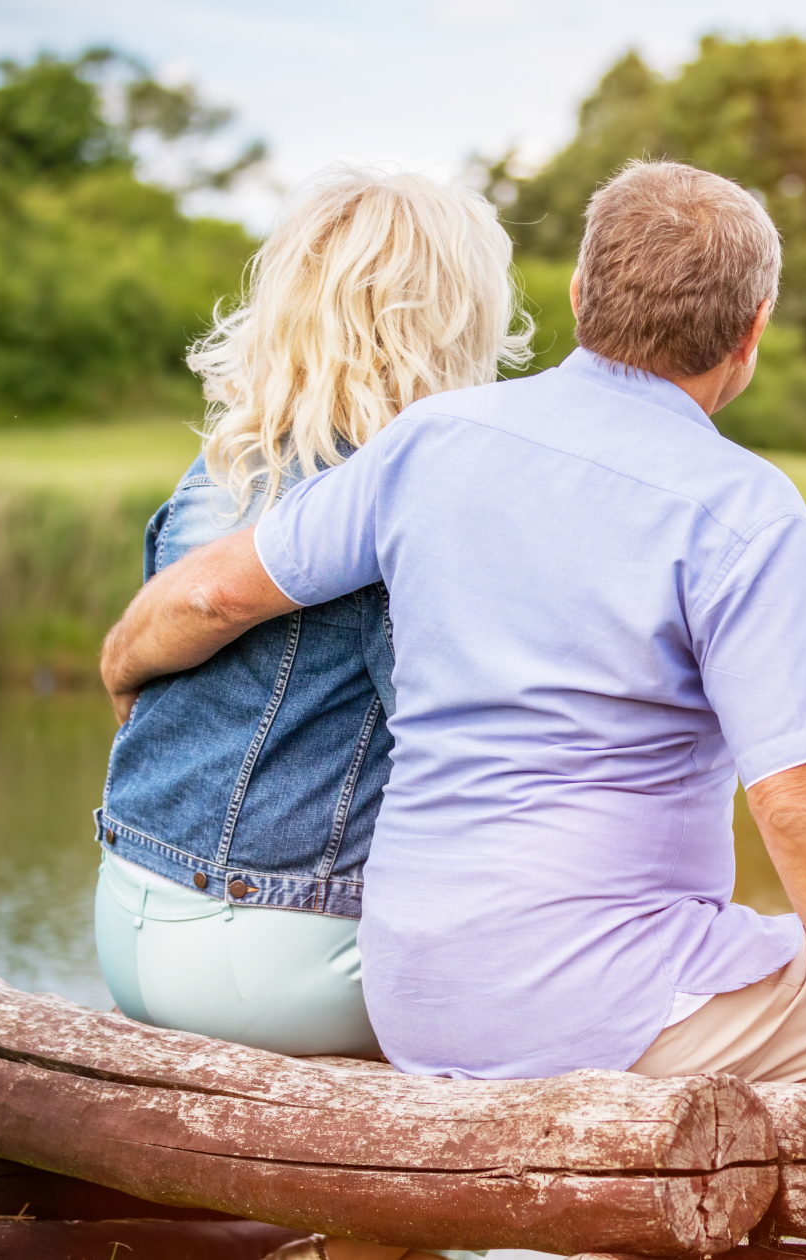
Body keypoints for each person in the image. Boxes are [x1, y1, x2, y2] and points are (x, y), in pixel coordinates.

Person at [100, 160, 806, 1260]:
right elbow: (805, 801)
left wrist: (124, 666)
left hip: (412, 990)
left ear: (585, 295)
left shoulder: (433, 441)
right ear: (752, 332)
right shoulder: (742, 510)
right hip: (594, 1004)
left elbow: (217, 586)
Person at [93, 167, 529, 1059]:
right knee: (572, 995)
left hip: (127, 921)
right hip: (274, 952)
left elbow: (158, 672)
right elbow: (457, 757)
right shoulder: (398, 507)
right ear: (454, 316)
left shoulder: (219, 468)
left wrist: (123, 661)